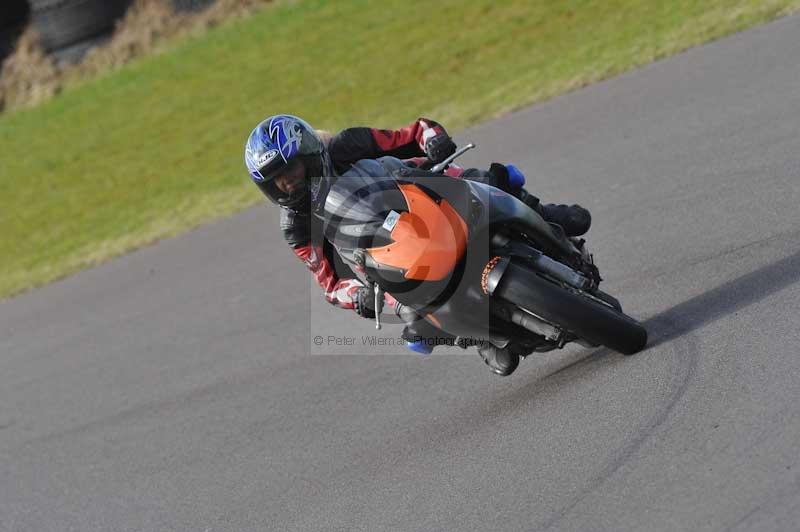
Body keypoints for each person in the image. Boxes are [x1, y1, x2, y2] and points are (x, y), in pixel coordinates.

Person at [244, 114, 591, 375]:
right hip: (385, 252)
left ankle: (545, 216)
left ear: (308, 154)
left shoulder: (348, 145)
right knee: (414, 325)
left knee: (492, 180)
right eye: (277, 183)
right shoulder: (296, 225)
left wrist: (434, 140)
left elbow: (416, 130)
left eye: (291, 171)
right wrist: (358, 296)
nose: (287, 185)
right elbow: (329, 283)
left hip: (425, 192)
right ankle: (481, 336)